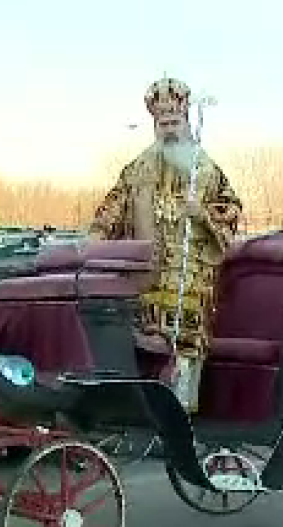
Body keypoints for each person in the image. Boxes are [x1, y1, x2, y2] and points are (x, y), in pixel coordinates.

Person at [88, 76, 244, 411]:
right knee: (146, 342)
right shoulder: (136, 169)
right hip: (146, 272)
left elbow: (231, 210)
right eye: (163, 121)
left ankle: (182, 414)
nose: (169, 126)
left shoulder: (205, 170)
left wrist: (202, 213)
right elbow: (112, 207)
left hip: (190, 274)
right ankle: (146, 410)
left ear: (186, 120)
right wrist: (95, 240)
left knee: (184, 345)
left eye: (175, 120)